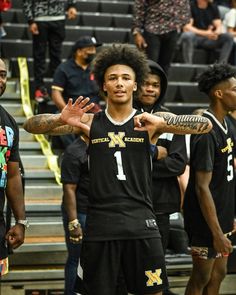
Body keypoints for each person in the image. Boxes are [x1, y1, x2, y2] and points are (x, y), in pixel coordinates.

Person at [23, 43, 212, 295]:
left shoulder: (150, 122)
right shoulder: (89, 122)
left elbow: (204, 125)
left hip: (142, 223)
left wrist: (166, 122)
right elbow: (30, 125)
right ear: (103, 85)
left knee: (153, 292)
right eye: (112, 78)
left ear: (136, 84)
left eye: (126, 78)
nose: (119, 83)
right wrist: (60, 118)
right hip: (101, 224)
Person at [134, 59, 188, 295]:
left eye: (155, 85)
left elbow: (177, 163)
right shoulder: (124, 117)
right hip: (130, 203)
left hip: (162, 204)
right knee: (132, 260)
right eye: (146, 83)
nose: (150, 89)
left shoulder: (170, 120)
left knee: (157, 258)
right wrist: (156, 154)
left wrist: (141, 161)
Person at [183, 63, 236, 295]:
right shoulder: (205, 131)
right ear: (219, 93)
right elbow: (202, 187)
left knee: (219, 274)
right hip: (205, 222)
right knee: (201, 278)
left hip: (223, 215)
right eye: (235, 88)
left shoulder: (229, 124)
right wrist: (215, 233)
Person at [0, 58, 28, 276]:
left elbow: (12, 176)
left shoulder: (9, 123)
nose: (0, 79)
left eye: (2, 74)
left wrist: (20, 221)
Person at [51, 35, 101, 150]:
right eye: (90, 49)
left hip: (94, 111)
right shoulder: (64, 68)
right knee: (62, 120)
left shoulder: (96, 69)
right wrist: (68, 111)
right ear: (79, 51)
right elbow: (56, 94)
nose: (93, 52)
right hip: (73, 109)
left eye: (94, 49)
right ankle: (74, 153)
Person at [22, 0, 77, 102]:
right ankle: (39, 88)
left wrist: (71, 5)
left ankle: (58, 88)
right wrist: (30, 20)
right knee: (39, 55)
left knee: (56, 55)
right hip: (40, 18)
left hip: (58, 17)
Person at [60, 136, 89, 295]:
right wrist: (74, 222)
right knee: (76, 259)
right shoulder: (74, 151)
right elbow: (69, 189)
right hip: (80, 211)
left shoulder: (99, 146)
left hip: (95, 211)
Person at [132, 0, 191, 75]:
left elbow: (184, 7)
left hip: (173, 29)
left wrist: (182, 22)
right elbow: (139, 7)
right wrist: (137, 32)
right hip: (152, 29)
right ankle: (147, 85)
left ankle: (162, 86)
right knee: (150, 65)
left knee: (165, 67)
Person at [180, 0, 234, 64]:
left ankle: (221, 66)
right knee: (188, 35)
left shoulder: (213, 7)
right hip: (195, 38)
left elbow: (219, 26)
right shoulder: (190, 6)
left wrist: (216, 33)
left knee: (228, 37)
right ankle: (188, 66)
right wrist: (206, 33)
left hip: (209, 39)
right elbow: (187, 28)